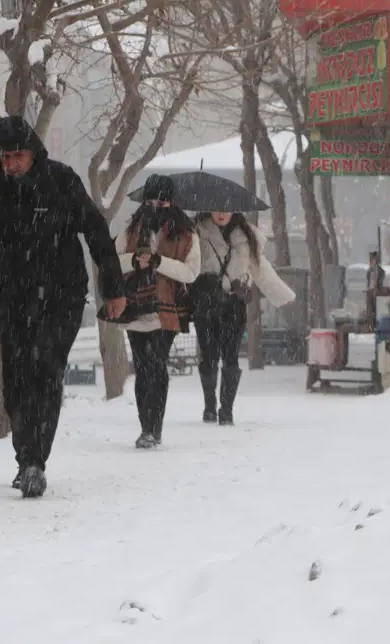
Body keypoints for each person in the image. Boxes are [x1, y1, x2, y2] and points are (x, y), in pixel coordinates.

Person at [0, 116, 127, 499]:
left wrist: (113, 287)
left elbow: (95, 230)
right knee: (15, 378)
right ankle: (25, 456)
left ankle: (36, 460)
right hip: (14, 296)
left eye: (18, 156)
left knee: (46, 370)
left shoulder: (61, 180)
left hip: (63, 295)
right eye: (5, 158)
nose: (11, 165)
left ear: (34, 153)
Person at [114, 175, 199, 449]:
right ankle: (145, 428)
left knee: (156, 364)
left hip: (167, 309)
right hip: (136, 308)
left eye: (161, 201)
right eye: (150, 200)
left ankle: (155, 426)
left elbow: (190, 272)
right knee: (142, 367)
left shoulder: (186, 234)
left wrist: (159, 262)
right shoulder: (131, 229)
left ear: (171, 202)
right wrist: (135, 261)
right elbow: (114, 261)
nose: (155, 205)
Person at [192, 211, 295, 425]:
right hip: (206, 302)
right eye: (216, 209)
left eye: (225, 209)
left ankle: (226, 410)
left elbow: (260, 268)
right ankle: (210, 405)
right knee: (208, 355)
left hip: (234, 303)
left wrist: (281, 294)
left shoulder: (247, 236)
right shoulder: (197, 232)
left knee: (231, 356)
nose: (221, 214)